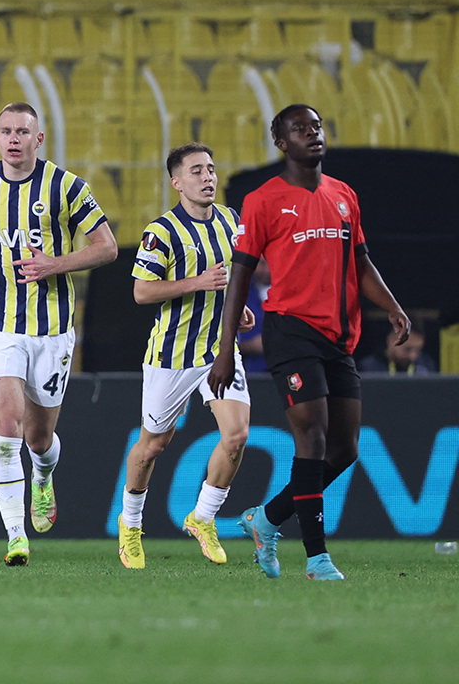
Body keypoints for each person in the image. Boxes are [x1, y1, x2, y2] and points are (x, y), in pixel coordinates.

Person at [209, 104, 410, 581]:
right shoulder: (263, 200)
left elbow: (360, 262)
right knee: (313, 438)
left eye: (316, 127)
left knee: (345, 449)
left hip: (338, 336)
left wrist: (392, 306)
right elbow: (240, 277)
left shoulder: (344, 195)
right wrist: (225, 349)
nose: (312, 134)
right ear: (282, 143)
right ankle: (317, 559)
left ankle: (266, 519)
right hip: (289, 330)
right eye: (300, 129)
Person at [0, 102, 117, 566]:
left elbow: (107, 247)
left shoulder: (66, 186)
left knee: (38, 439)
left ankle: (43, 475)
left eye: (22, 131)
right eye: (6, 131)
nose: (13, 139)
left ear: (38, 139)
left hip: (51, 328)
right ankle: (16, 536)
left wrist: (55, 264)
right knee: (6, 429)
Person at [118, 143, 254, 570]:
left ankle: (203, 517)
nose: (207, 177)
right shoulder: (161, 232)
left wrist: (236, 306)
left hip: (219, 350)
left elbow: (232, 276)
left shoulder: (231, 221)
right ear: (177, 182)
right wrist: (197, 283)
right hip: (172, 354)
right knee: (153, 445)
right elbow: (142, 292)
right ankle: (131, 524)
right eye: (196, 171)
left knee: (236, 435)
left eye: (211, 169)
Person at [357, 325, 435, 375]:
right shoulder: (368, 368)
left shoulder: (427, 366)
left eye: (418, 350)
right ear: (391, 340)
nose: (413, 356)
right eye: (407, 349)